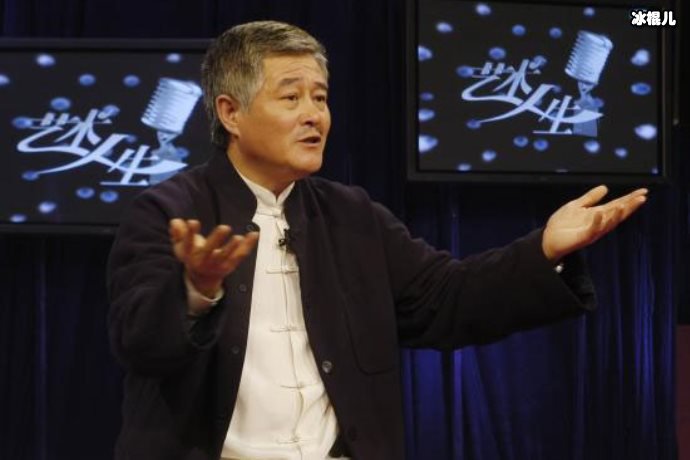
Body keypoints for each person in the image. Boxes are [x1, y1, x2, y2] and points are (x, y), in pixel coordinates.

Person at [106, 20, 648, 460]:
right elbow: (139, 345)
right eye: (291, 97)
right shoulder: (168, 213)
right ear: (231, 113)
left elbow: (448, 298)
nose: (314, 115)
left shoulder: (352, 216)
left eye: (320, 97)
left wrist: (544, 250)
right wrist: (196, 291)